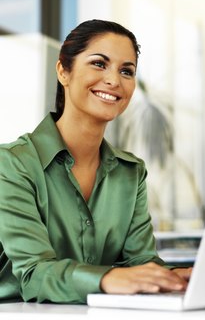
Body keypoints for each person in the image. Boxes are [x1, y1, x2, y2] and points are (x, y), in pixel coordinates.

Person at [0, 19, 192, 303]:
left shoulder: (131, 172)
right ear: (63, 71)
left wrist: (175, 276)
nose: (114, 80)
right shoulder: (12, 164)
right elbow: (33, 273)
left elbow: (139, 261)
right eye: (99, 64)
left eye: (126, 71)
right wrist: (106, 279)